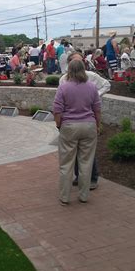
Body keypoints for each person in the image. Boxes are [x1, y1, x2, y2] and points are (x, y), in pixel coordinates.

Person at [59, 52, 110, 190]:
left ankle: (92, 179)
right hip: (73, 120)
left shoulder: (91, 77)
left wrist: (95, 97)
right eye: (76, 61)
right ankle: (79, 178)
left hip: (87, 117)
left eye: (81, 61)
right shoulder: (63, 80)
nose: (80, 64)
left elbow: (106, 85)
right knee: (74, 151)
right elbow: (60, 103)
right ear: (70, 64)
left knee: (87, 153)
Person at [54, 60, 101, 205]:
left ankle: (65, 197)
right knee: (86, 162)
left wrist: (59, 125)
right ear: (83, 69)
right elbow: (97, 109)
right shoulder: (92, 87)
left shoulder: (63, 87)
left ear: (69, 70)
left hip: (69, 126)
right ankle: (84, 195)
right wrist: (98, 126)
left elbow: (57, 110)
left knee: (66, 164)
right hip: (89, 126)